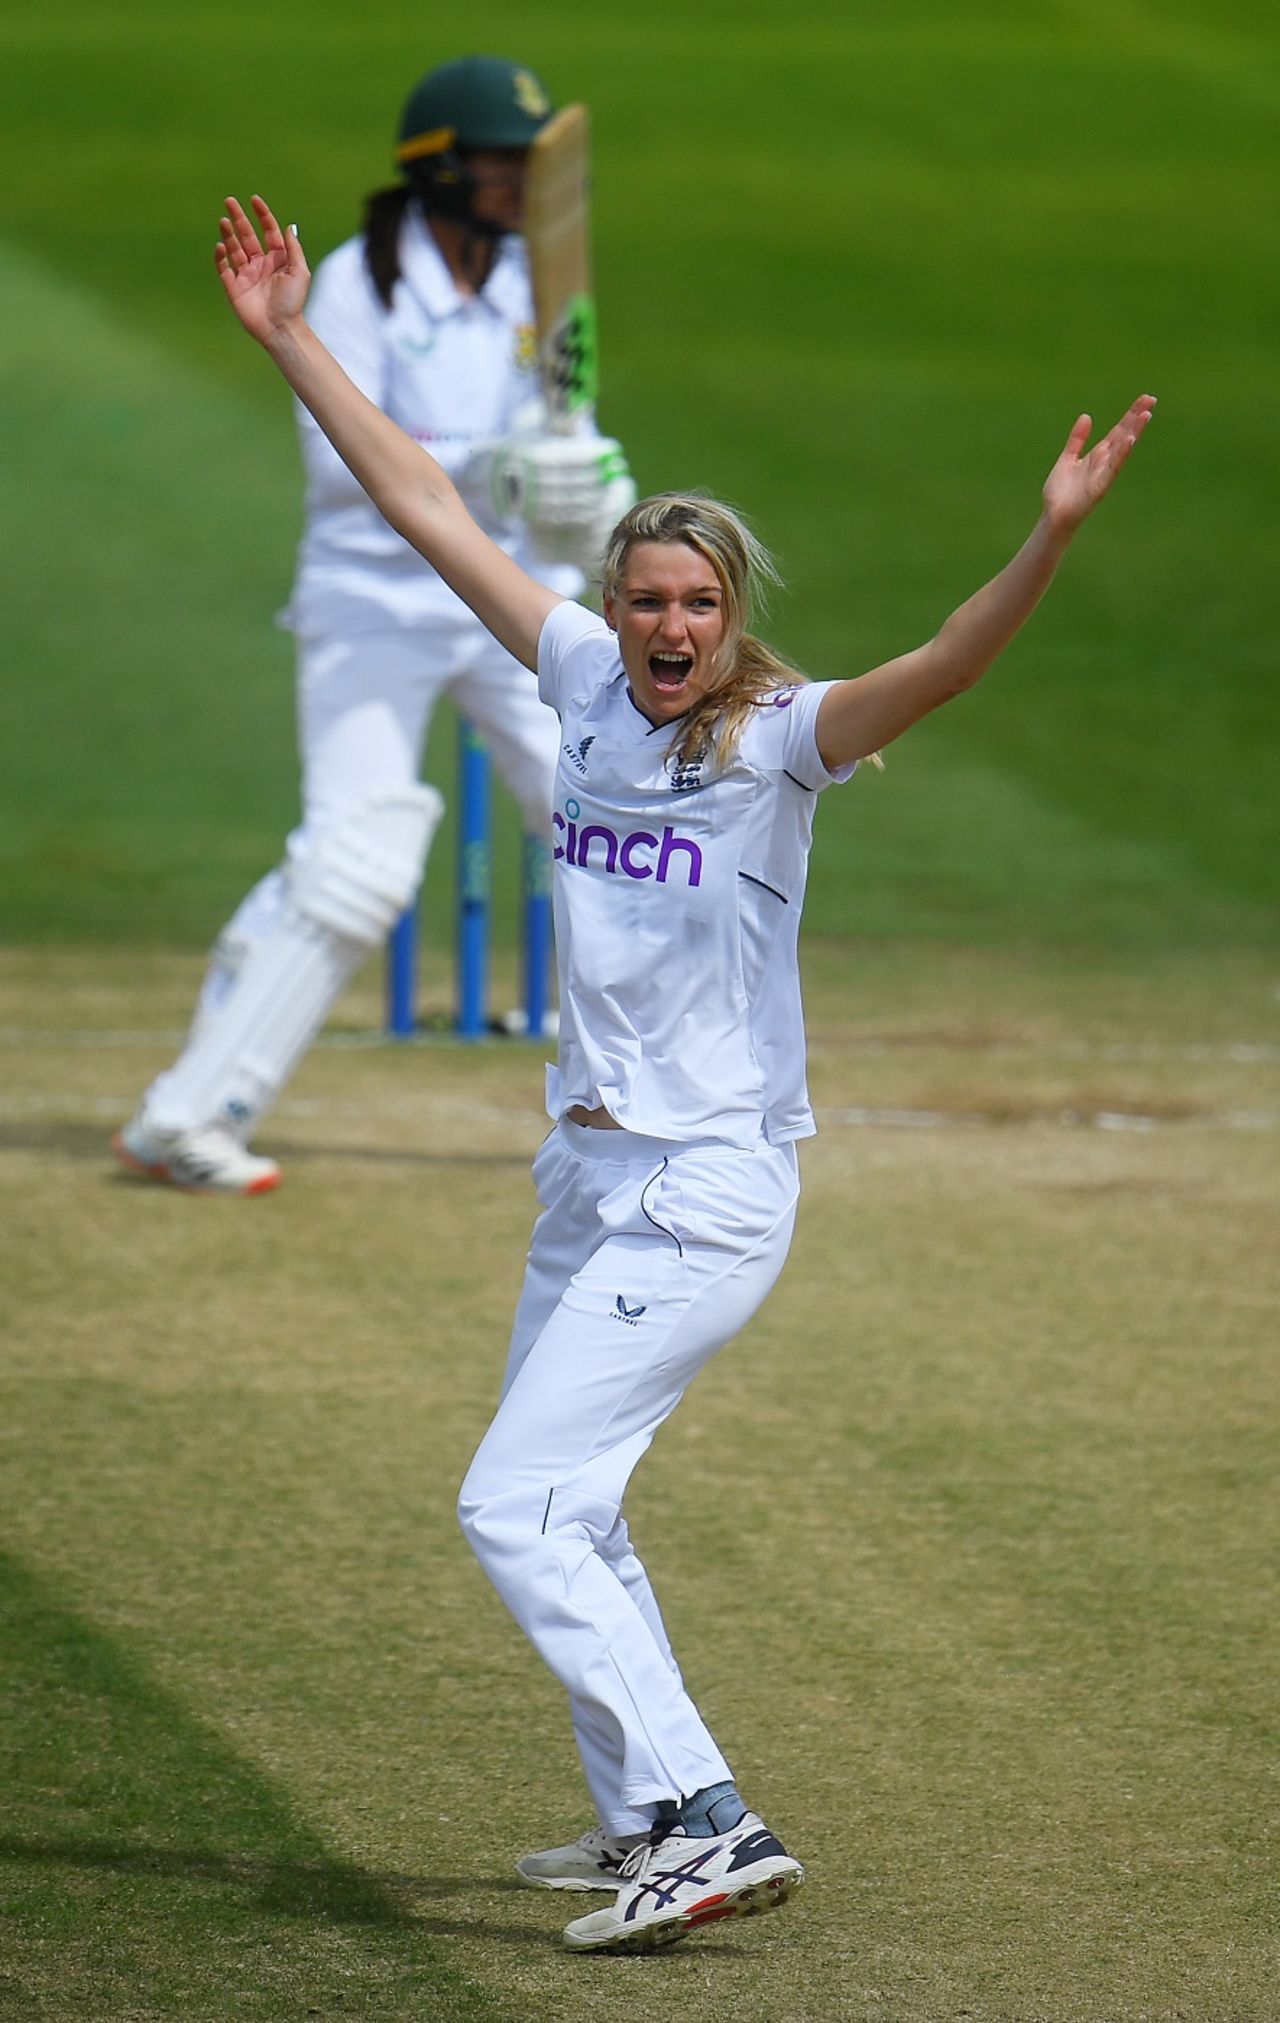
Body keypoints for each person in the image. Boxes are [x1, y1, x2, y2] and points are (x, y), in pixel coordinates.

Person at [212, 193, 1154, 1951]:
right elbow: (422, 502)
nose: (663, 623)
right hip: (581, 1171)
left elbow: (943, 667)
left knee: (512, 1501)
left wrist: (1048, 536)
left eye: (694, 601)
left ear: (731, 616)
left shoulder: (782, 742)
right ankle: (635, 1809)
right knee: (585, 1509)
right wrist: (287, 339)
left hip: (703, 1188)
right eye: (645, 594)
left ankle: (708, 1815)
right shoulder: (574, 672)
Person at [112, 56, 634, 1195]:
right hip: (374, 600)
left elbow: (567, 435)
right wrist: (504, 470)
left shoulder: (540, 285)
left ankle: (642, 1107)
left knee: (614, 821)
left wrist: (588, 491)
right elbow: (337, 463)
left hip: (512, 601)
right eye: (500, 160)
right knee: (359, 857)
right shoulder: (357, 284)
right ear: (437, 165)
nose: (518, 182)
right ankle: (185, 1119)